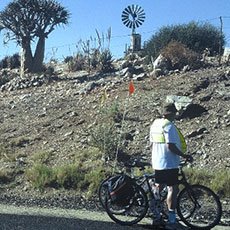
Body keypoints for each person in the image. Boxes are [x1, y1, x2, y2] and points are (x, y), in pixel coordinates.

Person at [149, 103, 192, 228]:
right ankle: (172, 220)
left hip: (158, 161)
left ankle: (156, 216)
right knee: (173, 189)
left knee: (159, 188)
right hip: (169, 163)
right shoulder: (169, 126)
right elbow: (171, 146)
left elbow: (151, 144)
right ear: (172, 113)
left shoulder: (155, 124)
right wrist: (184, 156)